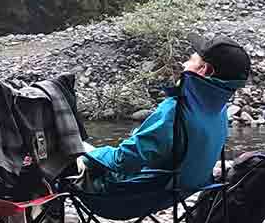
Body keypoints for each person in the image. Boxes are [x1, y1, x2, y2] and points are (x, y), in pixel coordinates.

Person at [76, 38, 251, 193]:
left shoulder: (177, 110)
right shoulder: (218, 110)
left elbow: (123, 160)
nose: (184, 64)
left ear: (203, 69)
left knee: (63, 155)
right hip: (180, 190)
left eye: (191, 59)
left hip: (127, 193)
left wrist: (90, 154)